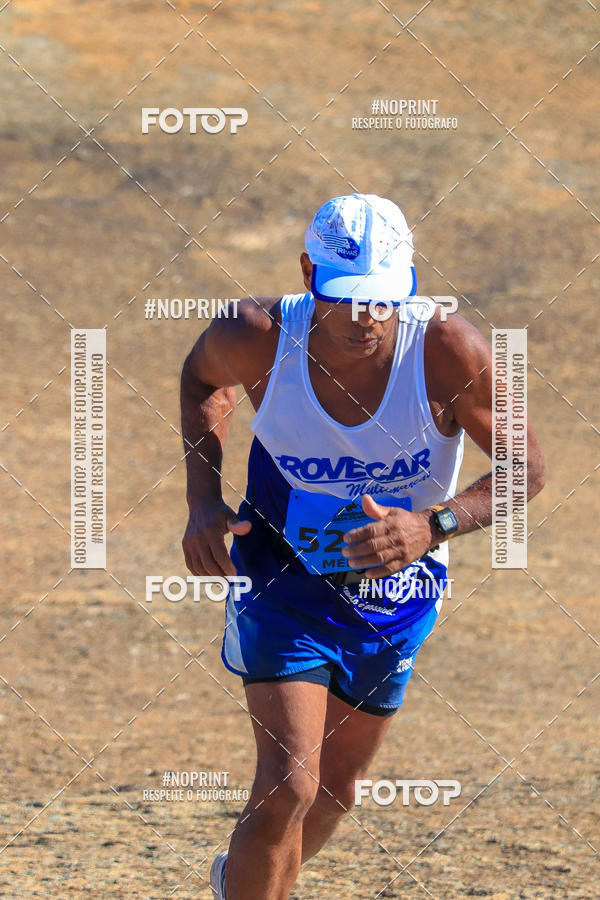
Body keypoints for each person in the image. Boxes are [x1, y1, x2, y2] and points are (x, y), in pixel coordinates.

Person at [180, 194, 545, 899]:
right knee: (290, 784)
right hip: (279, 577)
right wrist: (202, 497)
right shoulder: (257, 335)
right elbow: (202, 380)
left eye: (382, 298)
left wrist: (432, 526)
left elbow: (525, 466)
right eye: (346, 297)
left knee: (333, 792)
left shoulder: (446, 350)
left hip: (395, 595)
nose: (365, 318)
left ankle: (240, 884)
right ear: (307, 274)